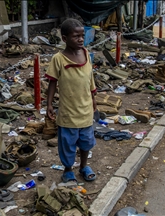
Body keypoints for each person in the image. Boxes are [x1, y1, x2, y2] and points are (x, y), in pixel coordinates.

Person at [45, 18, 97, 183]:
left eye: (82, 36)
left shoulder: (86, 54)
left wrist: (94, 99)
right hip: (68, 112)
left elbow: (90, 79)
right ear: (65, 39)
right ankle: (68, 169)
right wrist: (49, 104)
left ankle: (83, 166)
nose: (81, 39)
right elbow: (52, 82)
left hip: (86, 110)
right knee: (67, 144)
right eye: (76, 36)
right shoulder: (58, 59)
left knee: (86, 142)